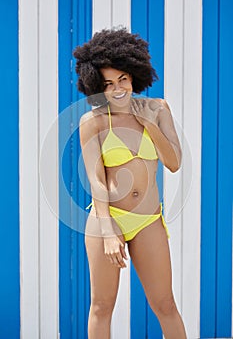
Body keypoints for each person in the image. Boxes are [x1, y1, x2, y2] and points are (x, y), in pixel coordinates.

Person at [73, 28, 187, 339]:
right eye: (108, 84)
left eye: (123, 78)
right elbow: (97, 181)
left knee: (165, 303)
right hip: (106, 221)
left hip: (148, 219)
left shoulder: (158, 108)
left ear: (134, 74)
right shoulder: (93, 122)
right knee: (101, 306)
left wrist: (150, 125)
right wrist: (109, 233)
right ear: (97, 86)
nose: (118, 88)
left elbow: (174, 163)